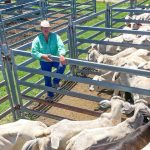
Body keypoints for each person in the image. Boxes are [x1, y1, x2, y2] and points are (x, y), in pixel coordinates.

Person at [31, 20, 66, 101]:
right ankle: (50, 95)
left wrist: (61, 55)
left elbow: (61, 46)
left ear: (50, 28)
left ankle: (56, 81)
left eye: (47, 28)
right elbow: (33, 52)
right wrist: (42, 56)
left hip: (55, 58)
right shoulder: (37, 39)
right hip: (44, 61)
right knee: (47, 78)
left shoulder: (55, 36)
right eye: (44, 28)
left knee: (62, 65)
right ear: (41, 29)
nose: (46, 30)